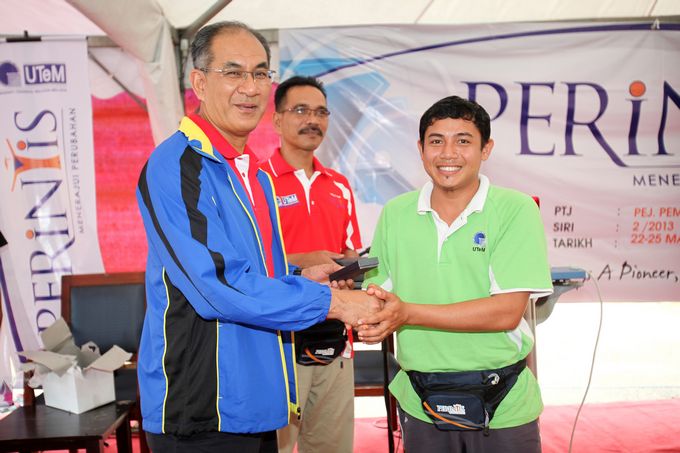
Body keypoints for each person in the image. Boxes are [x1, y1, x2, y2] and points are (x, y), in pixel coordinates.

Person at [135, 21, 380, 453]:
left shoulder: (253, 175)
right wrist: (336, 304)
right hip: (201, 408)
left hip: (261, 401)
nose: (250, 87)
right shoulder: (178, 164)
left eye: (260, 73)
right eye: (233, 72)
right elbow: (217, 285)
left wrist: (303, 276)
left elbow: (254, 272)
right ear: (199, 83)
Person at [357, 95, 553, 452]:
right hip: (420, 402)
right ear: (421, 149)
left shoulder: (516, 209)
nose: (448, 154)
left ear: (485, 149)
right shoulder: (396, 213)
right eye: (436, 141)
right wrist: (329, 292)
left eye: (463, 141)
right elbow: (376, 300)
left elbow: (506, 312)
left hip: (503, 403)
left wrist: (407, 313)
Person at [260, 76, 361, 453]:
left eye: (321, 112)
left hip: (334, 338)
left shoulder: (339, 186)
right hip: (276, 342)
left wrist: (351, 269)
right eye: (301, 110)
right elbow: (245, 265)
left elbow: (349, 254)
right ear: (277, 120)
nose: (312, 120)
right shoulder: (256, 183)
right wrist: (304, 262)